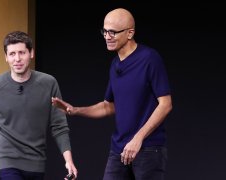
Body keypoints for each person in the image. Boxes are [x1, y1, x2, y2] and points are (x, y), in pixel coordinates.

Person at [52, 8, 172, 180]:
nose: (107, 36)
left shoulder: (149, 58)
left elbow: (166, 104)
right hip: (119, 148)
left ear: (130, 33)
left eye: (113, 32)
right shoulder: (115, 64)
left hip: (148, 149)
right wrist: (74, 110)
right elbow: (108, 106)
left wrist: (138, 139)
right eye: (105, 31)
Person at [0, 31, 77, 180]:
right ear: (6, 57)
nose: (17, 59)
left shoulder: (48, 84)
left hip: (36, 161)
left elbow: (59, 125)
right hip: (5, 160)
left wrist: (69, 161)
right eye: (12, 54)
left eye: (22, 53)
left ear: (31, 53)